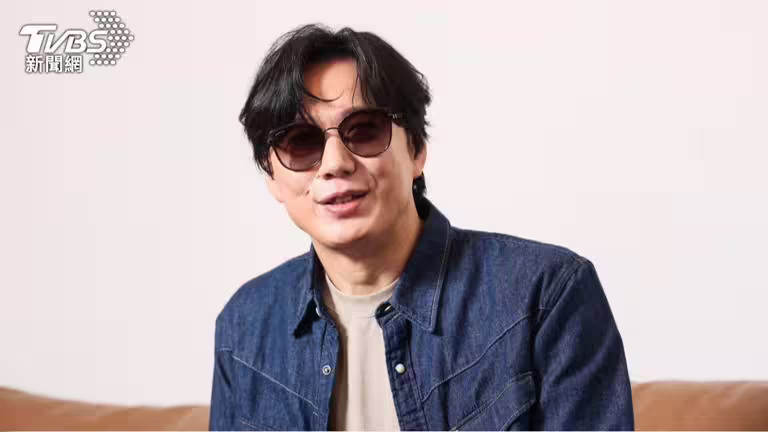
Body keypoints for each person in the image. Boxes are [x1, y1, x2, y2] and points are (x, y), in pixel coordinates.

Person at [209, 23, 634, 431]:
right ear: (272, 177)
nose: (335, 164)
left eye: (364, 130)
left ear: (416, 150)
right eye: (300, 142)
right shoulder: (243, 329)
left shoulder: (546, 295)